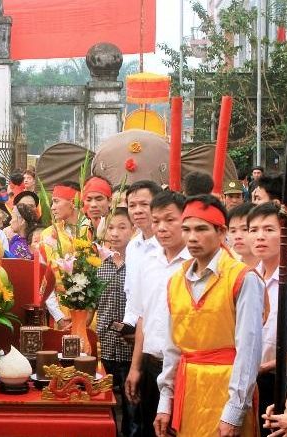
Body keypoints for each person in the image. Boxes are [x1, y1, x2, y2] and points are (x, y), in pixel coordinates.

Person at [154, 195, 263, 437]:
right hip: (188, 390)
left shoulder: (243, 278)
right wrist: (165, 401)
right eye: (186, 229)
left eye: (201, 229)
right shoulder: (175, 282)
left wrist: (234, 411)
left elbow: (249, 349)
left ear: (222, 232)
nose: (192, 238)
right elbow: (172, 349)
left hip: (226, 390)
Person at [124, 190, 191, 436]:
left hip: (187, 368)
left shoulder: (196, 263)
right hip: (153, 364)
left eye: (170, 220)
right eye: (156, 221)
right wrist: (135, 368)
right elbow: (143, 317)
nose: (162, 227)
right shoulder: (148, 261)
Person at [248, 201, 287, 434]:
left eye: (269, 230)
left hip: (285, 381)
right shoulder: (249, 277)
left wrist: (267, 366)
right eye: (253, 230)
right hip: (251, 379)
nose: (260, 236)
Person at [95, 207, 137, 437]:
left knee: (132, 411)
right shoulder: (99, 265)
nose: (115, 233)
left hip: (131, 350)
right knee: (103, 407)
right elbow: (91, 307)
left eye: (122, 227)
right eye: (111, 227)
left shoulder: (139, 266)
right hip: (105, 346)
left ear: (133, 229)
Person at [40, 182, 82, 329]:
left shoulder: (89, 232)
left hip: (88, 311)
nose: (52, 207)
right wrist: (59, 316)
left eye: (56, 201)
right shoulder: (47, 235)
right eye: (52, 202)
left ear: (72, 202)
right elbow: (45, 279)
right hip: (59, 310)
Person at [123, 180, 162, 327]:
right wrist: (128, 324)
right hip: (136, 329)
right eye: (132, 205)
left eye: (144, 204)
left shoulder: (168, 246)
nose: (137, 210)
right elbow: (131, 293)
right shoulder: (132, 246)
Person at [226, 202, 258, 266]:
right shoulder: (229, 266)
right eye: (233, 231)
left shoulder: (279, 270)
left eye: (245, 229)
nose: (237, 236)